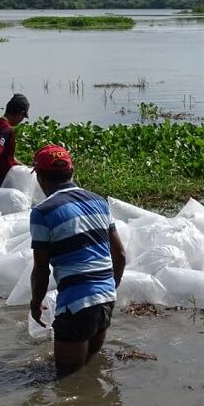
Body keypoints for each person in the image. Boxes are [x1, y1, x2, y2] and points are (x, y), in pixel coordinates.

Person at [29, 144, 126, 375]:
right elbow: (120, 256)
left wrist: (35, 303)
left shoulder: (42, 212)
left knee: (66, 380)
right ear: (71, 172)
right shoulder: (99, 202)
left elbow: (41, 271)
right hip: (106, 299)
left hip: (76, 305)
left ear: (41, 178)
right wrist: (107, 289)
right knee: (91, 368)